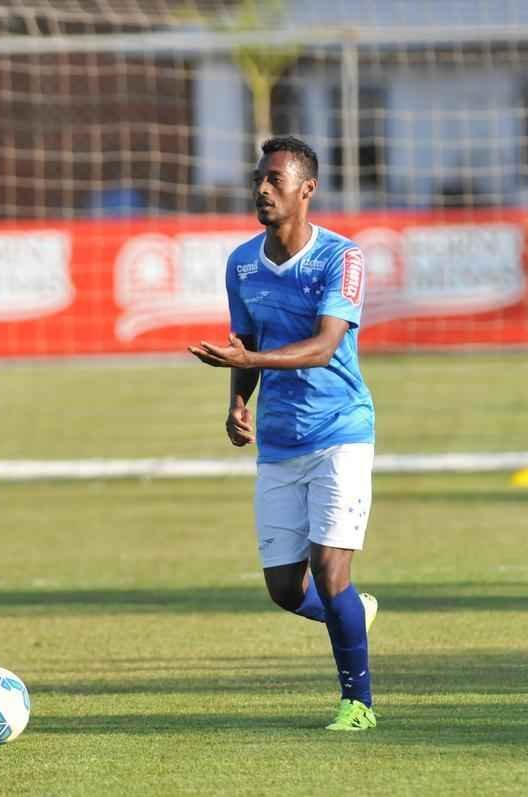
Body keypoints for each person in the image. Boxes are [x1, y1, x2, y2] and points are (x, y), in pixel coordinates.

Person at [189, 136, 378, 731]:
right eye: (259, 179)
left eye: (275, 179)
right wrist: (237, 405)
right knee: (283, 589)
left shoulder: (341, 258)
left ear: (307, 190)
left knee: (329, 569)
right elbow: (243, 342)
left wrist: (247, 366)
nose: (262, 189)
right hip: (279, 441)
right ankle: (352, 614)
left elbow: (325, 347)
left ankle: (359, 705)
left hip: (341, 431)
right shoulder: (241, 262)